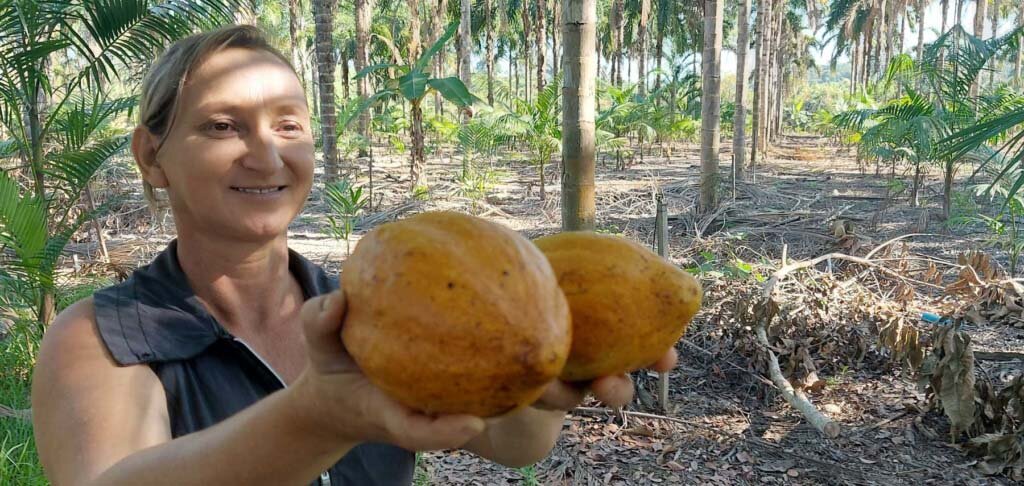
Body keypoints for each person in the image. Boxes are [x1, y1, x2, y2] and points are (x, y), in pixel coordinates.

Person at [30, 25, 677, 486]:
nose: (266, 154)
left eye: (289, 124)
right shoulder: (105, 334)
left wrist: (537, 380)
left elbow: (508, 444)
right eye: (223, 126)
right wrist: (317, 418)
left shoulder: (367, 308)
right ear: (151, 154)